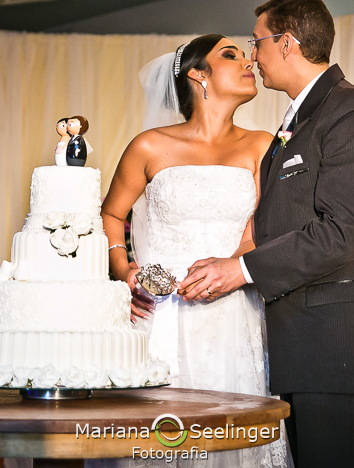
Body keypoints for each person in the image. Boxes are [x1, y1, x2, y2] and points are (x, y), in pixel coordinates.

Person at [179, 0, 354, 467]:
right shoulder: (298, 120)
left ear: (286, 43)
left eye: (257, 42)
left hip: (339, 350)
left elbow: (343, 231)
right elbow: (277, 222)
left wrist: (241, 270)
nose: (253, 56)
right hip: (299, 351)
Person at [100, 34, 290, 467]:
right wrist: (124, 270)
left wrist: (231, 266)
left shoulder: (262, 145)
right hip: (161, 313)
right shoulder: (148, 146)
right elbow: (111, 214)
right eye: (230, 55)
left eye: (245, 54)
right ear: (198, 74)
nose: (248, 61)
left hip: (233, 313)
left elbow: (262, 228)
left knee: (232, 438)